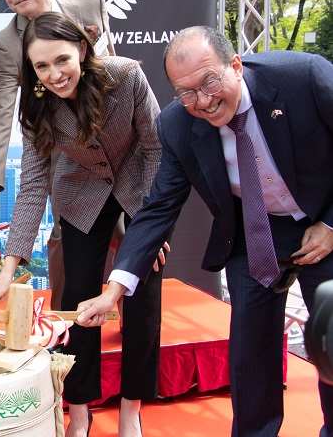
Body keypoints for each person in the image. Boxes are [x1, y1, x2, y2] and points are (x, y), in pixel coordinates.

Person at [77, 26, 333, 437]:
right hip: (255, 234)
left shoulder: (303, 76)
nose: (203, 101)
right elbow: (159, 207)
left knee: (332, 345)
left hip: (324, 220)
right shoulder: (177, 125)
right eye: (186, 92)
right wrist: (113, 290)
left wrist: (332, 225)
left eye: (209, 81)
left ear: (235, 65)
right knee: (249, 356)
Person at [0, 12, 164, 437]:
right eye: (41, 66)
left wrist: (151, 227)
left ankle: (131, 408)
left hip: (139, 183)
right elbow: (31, 184)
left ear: (82, 50)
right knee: (79, 299)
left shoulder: (126, 77)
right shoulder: (37, 102)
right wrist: (10, 267)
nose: (55, 74)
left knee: (141, 293)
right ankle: (79, 407)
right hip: (81, 191)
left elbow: (157, 150)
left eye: (62, 59)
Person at [0, 0, 116, 312]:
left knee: (130, 236)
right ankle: (67, 320)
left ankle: (131, 314)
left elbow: (111, 65)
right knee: (68, 236)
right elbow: (0, 108)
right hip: (61, 146)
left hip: (110, 139)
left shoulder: (88, 4)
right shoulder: (6, 43)